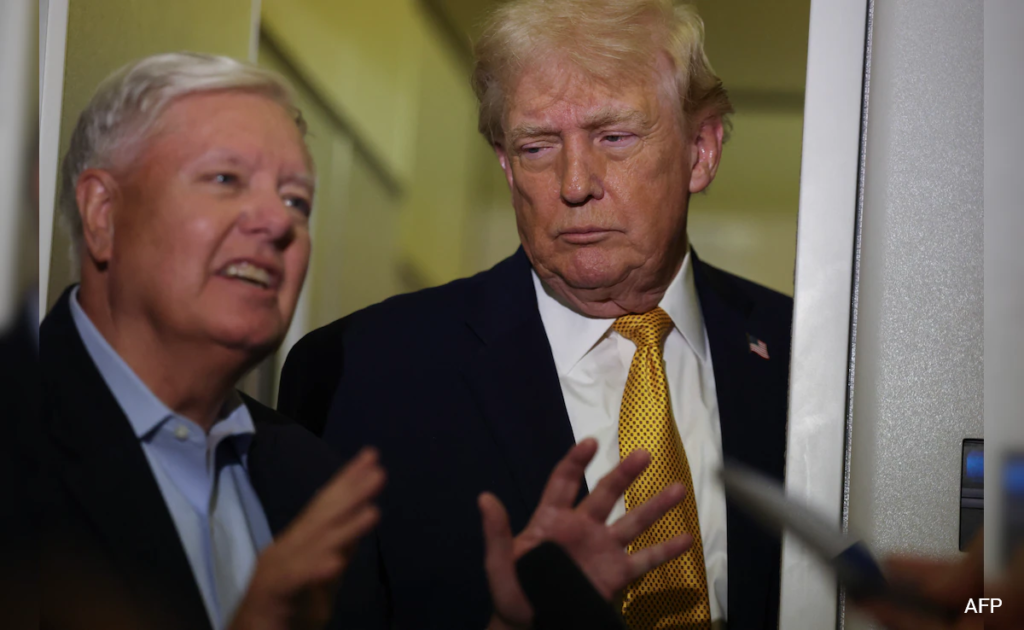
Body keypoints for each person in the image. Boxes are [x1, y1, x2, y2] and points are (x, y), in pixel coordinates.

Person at [39, 51, 696, 630]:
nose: (275, 222)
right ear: (104, 214)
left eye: (296, 200)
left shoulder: (308, 478)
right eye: (225, 181)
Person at [278, 0, 793, 628]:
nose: (575, 183)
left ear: (701, 151)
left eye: (615, 136)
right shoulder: (365, 373)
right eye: (538, 145)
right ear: (504, 161)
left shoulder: (805, 357)